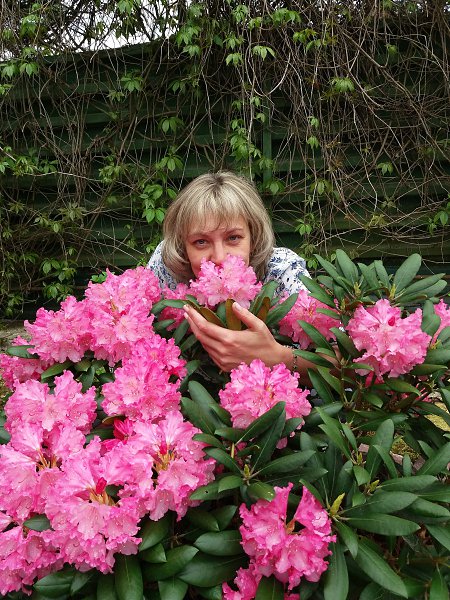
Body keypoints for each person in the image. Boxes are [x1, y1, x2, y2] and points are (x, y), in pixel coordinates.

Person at [147, 171, 332, 382]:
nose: (219, 257)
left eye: (233, 238)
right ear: (182, 247)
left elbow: (343, 365)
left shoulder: (281, 270)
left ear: (253, 237)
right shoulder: (166, 267)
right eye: (201, 242)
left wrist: (280, 358)